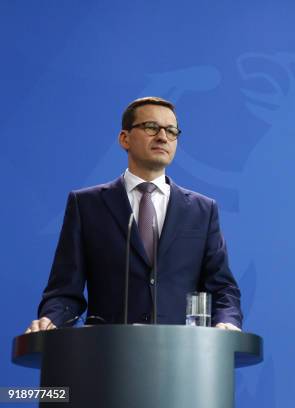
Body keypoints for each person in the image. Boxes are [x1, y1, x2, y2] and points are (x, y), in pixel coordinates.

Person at [26, 97, 242, 332]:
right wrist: (52, 319)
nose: (162, 137)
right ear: (124, 139)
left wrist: (227, 322)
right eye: (151, 127)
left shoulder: (203, 210)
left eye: (171, 131)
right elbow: (65, 291)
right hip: (108, 355)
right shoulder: (86, 205)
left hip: (183, 357)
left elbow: (222, 288)